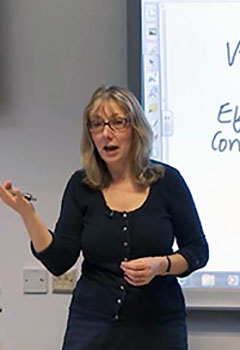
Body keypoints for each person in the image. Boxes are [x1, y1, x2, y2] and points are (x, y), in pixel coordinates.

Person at [0, 85, 209, 349]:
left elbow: (198, 250)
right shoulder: (81, 186)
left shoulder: (167, 182)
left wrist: (161, 265)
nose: (105, 134)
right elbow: (59, 260)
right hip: (92, 326)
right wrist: (27, 215)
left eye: (117, 123)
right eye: (96, 124)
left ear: (136, 129)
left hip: (158, 326)